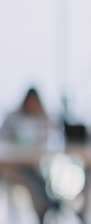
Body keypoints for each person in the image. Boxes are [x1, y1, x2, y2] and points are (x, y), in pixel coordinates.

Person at [0, 87, 61, 223]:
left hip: (31, 165)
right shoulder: (13, 118)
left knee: (38, 181)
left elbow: (55, 133)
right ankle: (44, 211)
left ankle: (46, 210)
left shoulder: (44, 119)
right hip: (12, 167)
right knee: (34, 183)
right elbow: (2, 137)